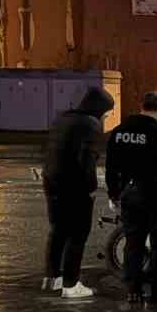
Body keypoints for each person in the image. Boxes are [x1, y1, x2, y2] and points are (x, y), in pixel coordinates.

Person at [105, 91, 157, 305]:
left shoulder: (118, 132)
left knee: (134, 243)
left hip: (129, 196)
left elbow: (110, 167)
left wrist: (115, 194)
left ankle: (133, 290)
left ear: (141, 105)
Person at [41, 86, 115, 300]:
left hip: (52, 182)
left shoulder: (64, 119)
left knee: (58, 231)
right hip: (75, 187)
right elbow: (86, 160)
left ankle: (52, 278)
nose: (106, 116)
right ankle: (71, 284)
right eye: (106, 112)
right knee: (77, 235)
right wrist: (91, 188)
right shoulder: (90, 125)